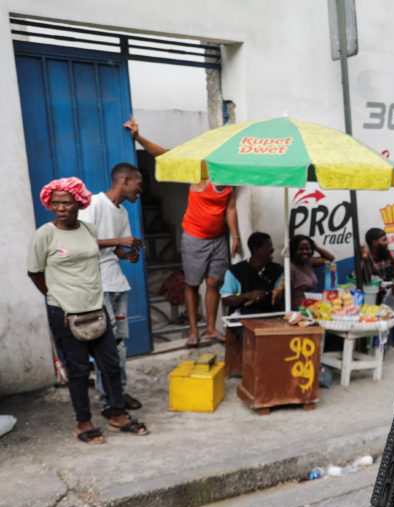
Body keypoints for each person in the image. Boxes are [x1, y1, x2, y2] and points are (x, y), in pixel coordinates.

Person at [27, 178, 149, 444]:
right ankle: (83, 423)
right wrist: (54, 295)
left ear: (79, 203)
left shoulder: (89, 230)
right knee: (79, 370)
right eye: (56, 203)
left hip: (96, 308)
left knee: (111, 364)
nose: (60, 208)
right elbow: (34, 271)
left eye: (66, 202)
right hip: (65, 313)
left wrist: (125, 254)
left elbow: (101, 256)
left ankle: (117, 414)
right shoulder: (45, 234)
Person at [124, 118, 242, 347]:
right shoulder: (199, 170)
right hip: (195, 237)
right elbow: (165, 155)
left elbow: (231, 208)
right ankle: (192, 331)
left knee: (214, 283)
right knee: (192, 283)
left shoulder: (230, 177)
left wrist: (235, 236)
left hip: (218, 238)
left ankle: (210, 329)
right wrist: (138, 137)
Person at [79, 162, 145, 418]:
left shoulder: (122, 213)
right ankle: (108, 401)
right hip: (97, 285)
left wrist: (126, 255)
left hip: (116, 282)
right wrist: (119, 241)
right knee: (104, 345)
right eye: (137, 186)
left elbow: (115, 249)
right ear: (124, 181)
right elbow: (82, 242)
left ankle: (118, 392)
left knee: (118, 345)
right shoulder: (93, 204)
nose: (139, 193)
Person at [220, 232, 284, 317]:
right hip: (242, 318)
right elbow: (225, 300)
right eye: (268, 247)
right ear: (256, 250)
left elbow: (278, 296)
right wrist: (247, 296)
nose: (272, 250)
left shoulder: (278, 270)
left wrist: (279, 297)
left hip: (270, 316)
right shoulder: (235, 271)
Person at [288, 235, 334, 306]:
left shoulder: (308, 262)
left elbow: (330, 258)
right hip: (299, 309)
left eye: (308, 249)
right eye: (301, 249)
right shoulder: (291, 268)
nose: (305, 252)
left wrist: (314, 246)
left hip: (311, 306)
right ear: (293, 250)